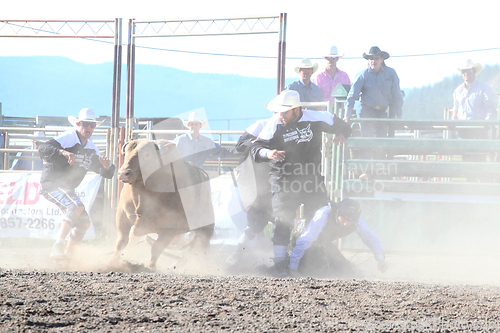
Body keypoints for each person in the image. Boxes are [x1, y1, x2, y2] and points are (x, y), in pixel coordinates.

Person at [251, 90, 352, 276]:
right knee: (283, 219)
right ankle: (280, 263)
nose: (281, 116)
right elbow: (256, 148)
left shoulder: (316, 118)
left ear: (296, 109)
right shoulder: (274, 124)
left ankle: (314, 256)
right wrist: (269, 153)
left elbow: (343, 126)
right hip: (284, 180)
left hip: (311, 179)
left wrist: (340, 134)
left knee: (320, 216)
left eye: (285, 112)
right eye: (280, 112)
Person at [38, 108, 115, 259]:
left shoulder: (92, 148)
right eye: (85, 124)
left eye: (92, 125)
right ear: (78, 124)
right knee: (75, 206)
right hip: (53, 183)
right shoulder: (70, 137)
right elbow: (43, 148)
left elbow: (108, 173)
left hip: (65, 187)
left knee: (84, 223)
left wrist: (106, 166)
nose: (88, 128)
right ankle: (58, 246)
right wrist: (64, 152)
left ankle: (67, 255)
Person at [289, 198, 387, 278]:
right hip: (303, 242)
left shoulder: (357, 221)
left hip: (324, 244)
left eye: (349, 221)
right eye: (343, 219)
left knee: (348, 271)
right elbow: (304, 240)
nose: (345, 223)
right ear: (338, 214)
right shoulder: (324, 214)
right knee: (314, 271)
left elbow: (371, 239)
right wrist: (293, 268)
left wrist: (380, 259)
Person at [226, 118, 274, 266]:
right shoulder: (261, 125)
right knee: (256, 217)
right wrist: (253, 143)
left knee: (268, 218)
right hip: (251, 177)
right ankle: (239, 252)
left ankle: (241, 252)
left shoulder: (284, 128)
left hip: (269, 178)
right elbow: (240, 145)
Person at [346, 46, 404, 160]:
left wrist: (399, 115)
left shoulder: (391, 73)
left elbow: (397, 95)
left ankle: (379, 170)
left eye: (376, 58)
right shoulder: (362, 74)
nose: (373, 61)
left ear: (382, 59)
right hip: (366, 112)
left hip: (382, 112)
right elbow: (352, 95)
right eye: (370, 58)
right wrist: (347, 116)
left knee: (381, 142)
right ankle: (365, 171)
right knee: (366, 141)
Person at [451, 59, 497, 181]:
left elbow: (490, 108)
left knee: (479, 158)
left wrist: (486, 123)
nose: (466, 74)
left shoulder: (483, 88)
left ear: (474, 72)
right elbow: (455, 111)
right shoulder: (458, 91)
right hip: (463, 131)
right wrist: (452, 123)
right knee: (466, 159)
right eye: (463, 71)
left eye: (468, 71)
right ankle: (470, 186)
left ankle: (481, 187)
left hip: (479, 130)